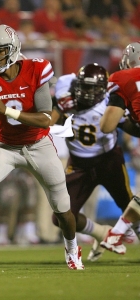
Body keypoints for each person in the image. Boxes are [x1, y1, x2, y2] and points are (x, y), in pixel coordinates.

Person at [0, 24, 84, 270]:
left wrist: (7, 110)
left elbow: (45, 118)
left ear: (12, 49)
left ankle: (72, 249)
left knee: (62, 209)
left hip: (38, 144)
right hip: (5, 146)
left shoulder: (37, 69)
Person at [51, 63, 134, 262]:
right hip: (79, 164)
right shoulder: (66, 91)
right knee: (60, 217)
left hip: (109, 161)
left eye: (92, 88)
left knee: (130, 206)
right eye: (83, 86)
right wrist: (58, 106)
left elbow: (128, 126)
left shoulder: (110, 101)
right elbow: (50, 118)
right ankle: (99, 231)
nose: (86, 92)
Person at [99, 41, 140, 255]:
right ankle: (117, 232)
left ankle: (116, 233)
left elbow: (107, 126)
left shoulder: (124, 78)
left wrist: (121, 120)